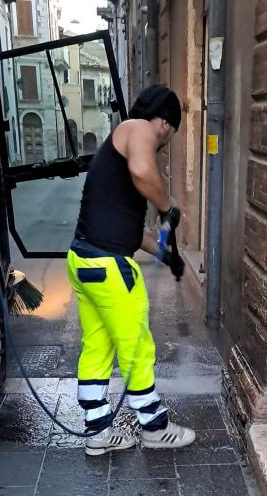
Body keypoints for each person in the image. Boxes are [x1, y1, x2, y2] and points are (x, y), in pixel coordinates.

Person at [67, 84, 196, 456]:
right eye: (168, 138)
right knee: (138, 347)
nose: (162, 146)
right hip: (109, 269)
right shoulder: (137, 128)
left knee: (98, 346)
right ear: (165, 123)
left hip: (84, 262)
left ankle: (98, 431)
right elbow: (144, 170)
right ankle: (155, 428)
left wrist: (165, 253)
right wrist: (167, 206)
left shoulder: (118, 147)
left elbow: (128, 230)